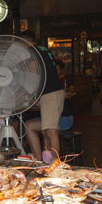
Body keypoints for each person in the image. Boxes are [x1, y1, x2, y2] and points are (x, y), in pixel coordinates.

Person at [22, 30, 65, 161]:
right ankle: (41, 160)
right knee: (33, 127)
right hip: (53, 92)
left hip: (50, 93)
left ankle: (54, 164)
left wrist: (31, 93)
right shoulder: (44, 50)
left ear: (25, 41)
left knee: (51, 131)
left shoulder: (32, 51)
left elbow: (34, 73)